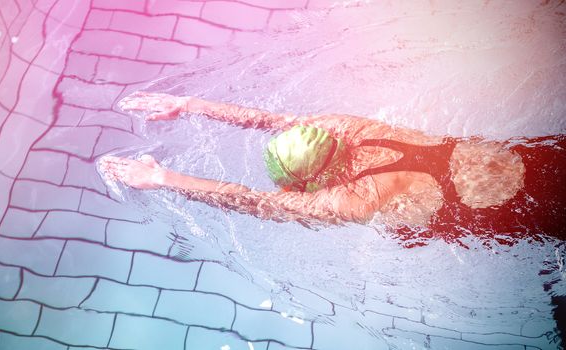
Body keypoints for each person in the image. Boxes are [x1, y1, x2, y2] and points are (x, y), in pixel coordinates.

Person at [99, 92, 566, 245]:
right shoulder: (349, 128)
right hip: (539, 156)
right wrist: (189, 104)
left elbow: (254, 201)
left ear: (312, 181)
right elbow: (270, 120)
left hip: (528, 212)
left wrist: (163, 178)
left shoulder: (353, 199)